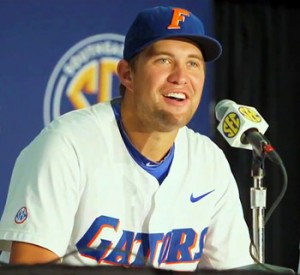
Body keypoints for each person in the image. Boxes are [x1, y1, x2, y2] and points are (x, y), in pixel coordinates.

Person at [0, 6, 255, 272]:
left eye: (193, 63)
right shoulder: (66, 146)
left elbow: (234, 268)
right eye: (164, 60)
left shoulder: (209, 161)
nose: (181, 77)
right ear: (127, 74)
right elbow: (30, 269)